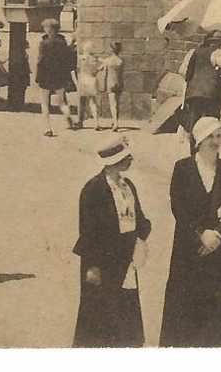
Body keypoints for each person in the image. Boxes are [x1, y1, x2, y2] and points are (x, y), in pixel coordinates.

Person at [160, 116, 221, 347]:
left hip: (218, 246)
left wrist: (218, 235)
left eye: (218, 136)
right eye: (210, 137)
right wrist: (201, 233)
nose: (215, 141)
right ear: (198, 140)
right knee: (187, 302)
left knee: (218, 303)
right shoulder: (183, 168)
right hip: (189, 246)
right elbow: (179, 207)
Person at [72, 135, 151, 347]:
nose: (131, 159)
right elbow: (89, 232)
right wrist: (92, 267)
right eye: (127, 156)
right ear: (114, 160)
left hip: (125, 259)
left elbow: (139, 219)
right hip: (103, 261)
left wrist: (140, 240)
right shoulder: (93, 189)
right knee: (99, 317)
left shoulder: (128, 186)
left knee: (125, 313)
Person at [36, 19, 73, 136]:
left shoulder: (44, 43)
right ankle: (68, 118)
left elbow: (40, 61)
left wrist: (38, 76)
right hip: (59, 76)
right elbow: (67, 60)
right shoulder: (62, 43)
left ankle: (47, 128)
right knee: (62, 102)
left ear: (49, 29)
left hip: (46, 76)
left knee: (45, 103)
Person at [184, 34, 221, 137]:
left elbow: (188, 74)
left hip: (195, 92)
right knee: (212, 122)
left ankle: (193, 148)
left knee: (194, 121)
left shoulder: (197, 51)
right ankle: (211, 149)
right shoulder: (220, 53)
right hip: (212, 92)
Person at [98, 41, 125, 131]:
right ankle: (115, 120)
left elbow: (104, 73)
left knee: (112, 104)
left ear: (111, 50)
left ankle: (116, 123)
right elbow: (121, 74)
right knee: (117, 103)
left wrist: (103, 86)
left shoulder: (108, 61)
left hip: (111, 83)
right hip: (119, 83)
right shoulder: (120, 61)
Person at [76, 41, 101, 130]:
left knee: (82, 102)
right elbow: (99, 68)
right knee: (93, 102)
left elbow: (78, 69)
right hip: (92, 80)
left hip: (83, 80)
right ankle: (96, 123)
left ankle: (80, 121)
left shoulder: (81, 58)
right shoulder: (95, 59)